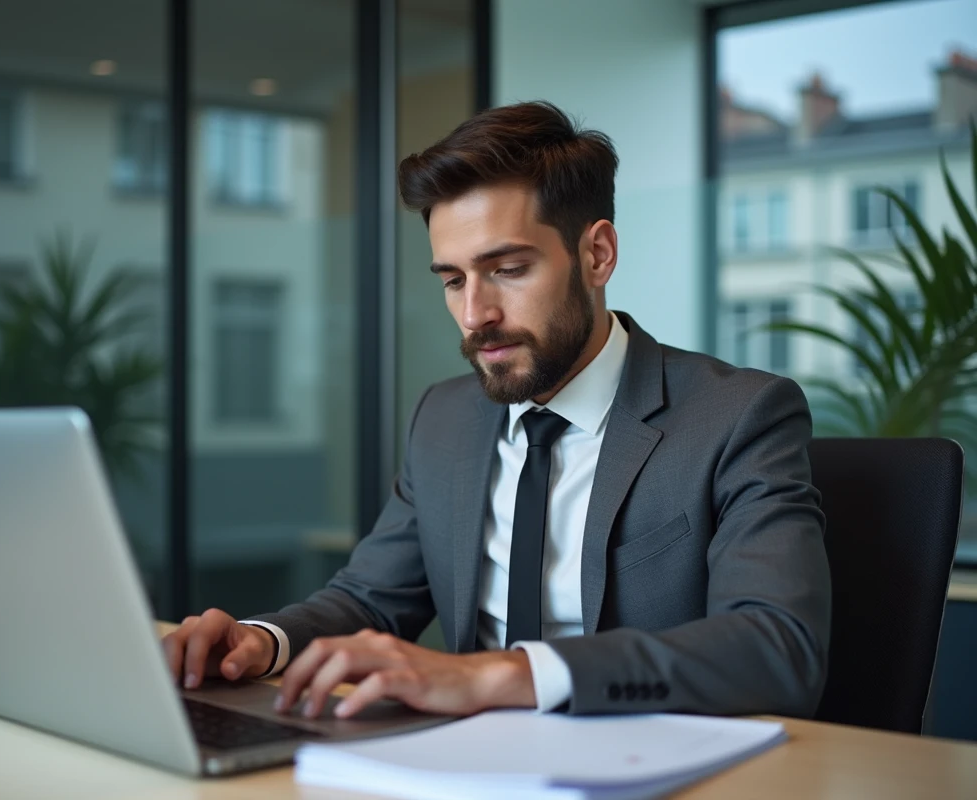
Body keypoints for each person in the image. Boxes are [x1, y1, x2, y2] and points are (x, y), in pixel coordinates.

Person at [163, 101, 831, 721]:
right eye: (453, 280)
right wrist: (261, 642)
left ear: (597, 255)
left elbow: (776, 646)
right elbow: (371, 599)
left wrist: (499, 677)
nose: (474, 314)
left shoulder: (738, 416)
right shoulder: (443, 418)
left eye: (508, 269)